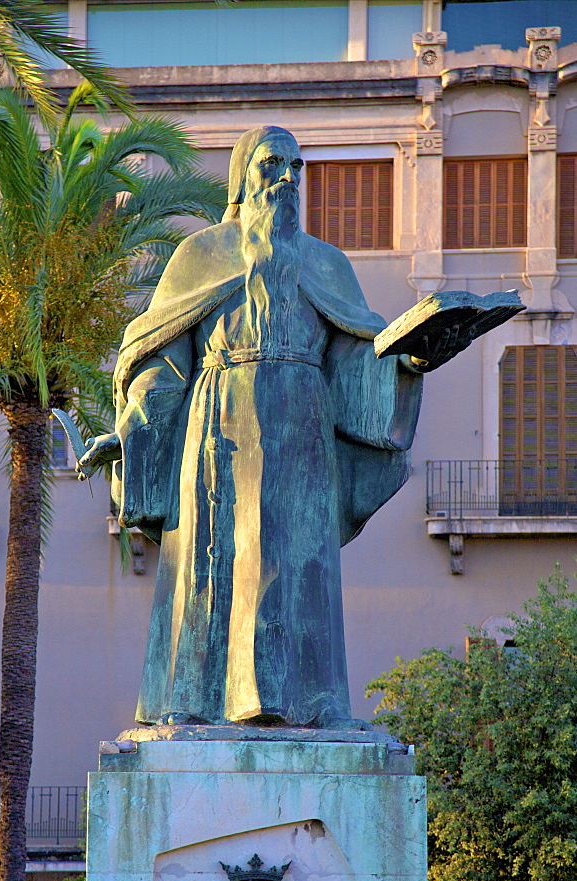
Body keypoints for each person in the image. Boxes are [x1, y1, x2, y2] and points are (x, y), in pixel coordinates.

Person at [79, 125, 464, 727]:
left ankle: (312, 706)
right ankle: (201, 704)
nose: (287, 178)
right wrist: (132, 432)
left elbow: (357, 363)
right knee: (213, 563)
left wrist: (414, 357)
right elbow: (164, 363)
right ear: (241, 177)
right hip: (219, 430)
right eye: (272, 165)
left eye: (296, 167)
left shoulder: (327, 265)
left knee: (301, 565)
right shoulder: (201, 256)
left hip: (304, 431)